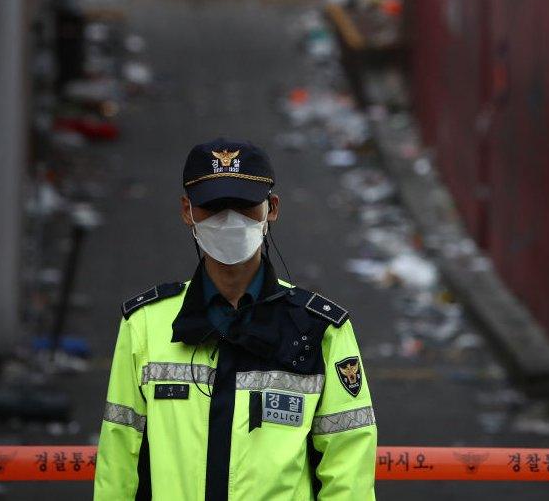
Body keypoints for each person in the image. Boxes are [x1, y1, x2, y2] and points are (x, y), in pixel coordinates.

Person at [94, 138, 377, 500]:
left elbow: (348, 466)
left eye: (244, 205)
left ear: (271, 208)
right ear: (187, 211)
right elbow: (117, 459)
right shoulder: (145, 324)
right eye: (213, 206)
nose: (229, 219)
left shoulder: (320, 329)